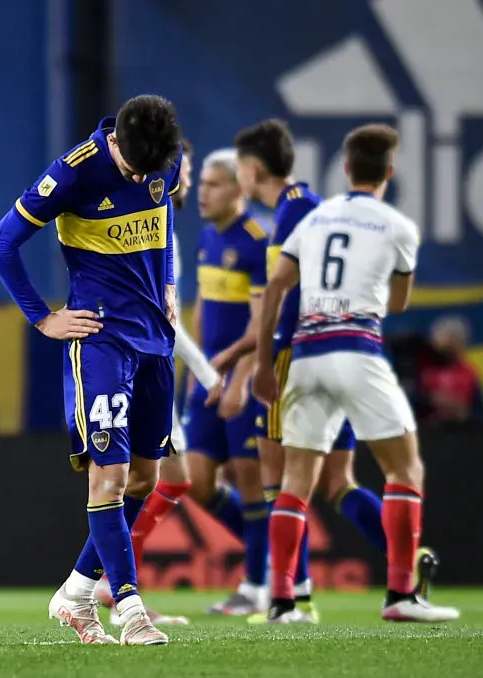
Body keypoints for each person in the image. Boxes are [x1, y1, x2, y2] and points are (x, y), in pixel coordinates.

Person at [0, 94, 182, 645]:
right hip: (102, 341)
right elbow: (1, 243)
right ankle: (130, 608)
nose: (142, 176)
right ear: (113, 140)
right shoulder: (72, 175)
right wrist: (42, 318)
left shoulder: (162, 158)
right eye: (132, 168)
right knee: (110, 475)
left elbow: (164, 217)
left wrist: (166, 283)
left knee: (146, 478)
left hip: (156, 342)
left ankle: (73, 593)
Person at [251, 124, 460, 623]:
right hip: (358, 349)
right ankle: (401, 595)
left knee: (295, 483)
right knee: (404, 469)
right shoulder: (398, 227)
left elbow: (275, 289)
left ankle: (282, 602)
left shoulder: (315, 219)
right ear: (389, 171)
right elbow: (399, 302)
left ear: (345, 168)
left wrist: (263, 363)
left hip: (305, 355)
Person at [94, 138, 221, 627]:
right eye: (186, 169)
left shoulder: (163, 221)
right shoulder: (155, 224)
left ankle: (113, 581)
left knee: (167, 479)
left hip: (148, 359)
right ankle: (112, 583)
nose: (186, 178)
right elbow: (166, 320)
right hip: (141, 362)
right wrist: (210, 377)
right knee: (149, 479)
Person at [178, 148, 270, 616]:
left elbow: (263, 326)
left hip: (244, 381)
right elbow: (202, 314)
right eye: (204, 184)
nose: (203, 193)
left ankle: (258, 584)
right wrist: (196, 371)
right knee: (197, 483)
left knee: (250, 481)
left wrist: (239, 382)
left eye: (213, 184)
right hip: (207, 382)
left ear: (239, 189)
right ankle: (272, 553)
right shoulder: (206, 240)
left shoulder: (258, 241)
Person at [417, 315, 483, 426]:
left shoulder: (468, 374)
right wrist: (430, 402)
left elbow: (481, 415)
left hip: (463, 436)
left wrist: (464, 413)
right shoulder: (426, 373)